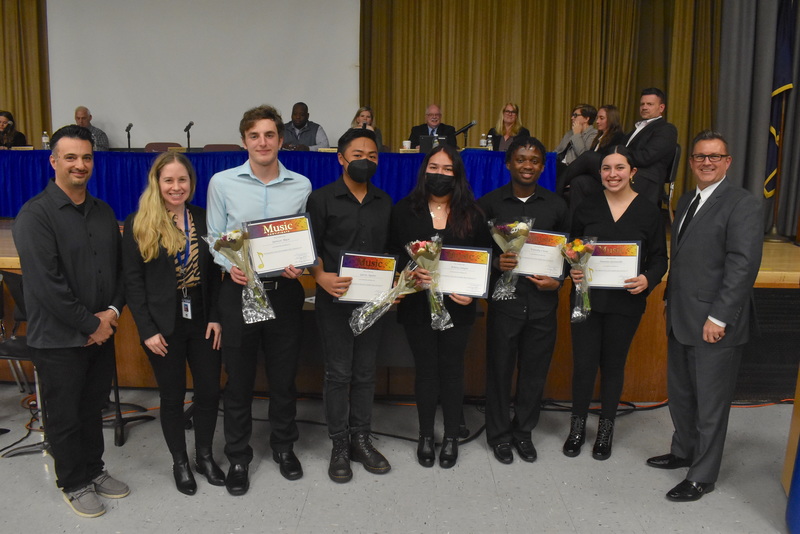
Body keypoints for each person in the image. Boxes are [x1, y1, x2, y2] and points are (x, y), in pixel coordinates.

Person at [12, 125, 128, 518]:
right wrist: (92, 325)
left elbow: (120, 272)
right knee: (64, 416)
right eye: (71, 157)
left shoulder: (103, 211)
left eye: (86, 157)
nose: (80, 165)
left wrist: (111, 314)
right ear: (54, 161)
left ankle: (93, 469)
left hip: (101, 333)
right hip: (59, 340)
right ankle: (73, 482)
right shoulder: (35, 216)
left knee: (93, 409)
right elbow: (48, 286)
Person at [647, 130, 763, 502]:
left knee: (711, 404)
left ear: (727, 162)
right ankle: (683, 451)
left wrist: (720, 318)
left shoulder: (743, 204)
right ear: (692, 162)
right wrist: (669, 299)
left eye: (715, 156)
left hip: (714, 323)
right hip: (681, 315)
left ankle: (702, 475)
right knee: (681, 394)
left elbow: (742, 266)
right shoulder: (686, 199)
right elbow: (684, 258)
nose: (707, 162)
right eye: (700, 156)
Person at [207, 104, 311, 496]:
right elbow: (214, 237)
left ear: (281, 140)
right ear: (244, 141)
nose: (262, 142)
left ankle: (284, 447)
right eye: (254, 136)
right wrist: (229, 264)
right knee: (238, 380)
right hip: (238, 292)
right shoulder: (222, 183)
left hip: (284, 293)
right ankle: (238, 457)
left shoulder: (301, 185)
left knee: (284, 378)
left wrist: (300, 265)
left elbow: (303, 241)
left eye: (269, 135)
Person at [122, 152, 224, 495]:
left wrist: (216, 316)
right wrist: (146, 330)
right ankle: (180, 462)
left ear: (191, 182)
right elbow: (133, 283)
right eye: (169, 180)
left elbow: (216, 274)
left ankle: (204, 456)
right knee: (172, 395)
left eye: (182, 179)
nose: (176, 186)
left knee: (209, 390)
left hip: (202, 316)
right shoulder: (139, 222)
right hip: (161, 323)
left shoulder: (204, 219)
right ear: (157, 182)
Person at [563, 146, 667, 461]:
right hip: (586, 299)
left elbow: (659, 258)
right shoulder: (586, 207)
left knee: (613, 366)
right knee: (583, 365)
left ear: (632, 172)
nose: (612, 174)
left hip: (625, 302)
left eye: (620, 167)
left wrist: (648, 279)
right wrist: (573, 267)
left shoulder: (649, 211)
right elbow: (571, 248)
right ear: (600, 173)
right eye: (606, 168)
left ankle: (605, 429)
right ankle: (577, 428)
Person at [389, 144, 487, 468]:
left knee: (452, 369)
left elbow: (485, 260)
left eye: (447, 169)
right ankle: (425, 435)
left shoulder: (472, 213)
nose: (440, 174)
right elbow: (393, 253)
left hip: (458, 306)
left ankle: (451, 437)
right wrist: (406, 273)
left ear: (456, 174)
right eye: (434, 167)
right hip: (417, 305)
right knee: (426, 370)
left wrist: (474, 292)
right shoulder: (405, 210)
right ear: (424, 170)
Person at [307, 128, 393, 483]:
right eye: (358, 155)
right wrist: (320, 276)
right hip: (334, 301)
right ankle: (339, 444)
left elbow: (390, 251)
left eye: (372, 156)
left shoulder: (384, 201)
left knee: (365, 373)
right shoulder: (321, 199)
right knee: (339, 373)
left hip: (373, 302)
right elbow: (309, 248)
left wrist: (395, 285)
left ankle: (361, 439)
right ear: (341, 159)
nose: (365, 161)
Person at [479, 136, 569, 464]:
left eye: (534, 160)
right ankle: (499, 435)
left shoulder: (557, 206)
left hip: (543, 304)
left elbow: (571, 254)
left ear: (543, 167)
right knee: (499, 372)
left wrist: (558, 280)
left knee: (534, 373)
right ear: (508, 164)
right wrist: (495, 262)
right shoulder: (489, 204)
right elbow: (476, 253)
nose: (527, 165)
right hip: (505, 305)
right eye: (520, 159)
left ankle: (524, 432)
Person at [556, 105, 626, 203]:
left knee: (588, 155)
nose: (597, 121)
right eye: (597, 118)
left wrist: (577, 135)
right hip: (594, 174)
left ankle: (556, 189)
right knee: (577, 181)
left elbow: (587, 157)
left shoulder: (618, 136)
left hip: (607, 171)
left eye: (601, 118)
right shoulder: (599, 137)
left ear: (611, 119)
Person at [622, 88, 678, 205]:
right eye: (642, 104)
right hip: (624, 172)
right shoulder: (636, 129)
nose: (644, 107)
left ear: (661, 108)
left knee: (589, 157)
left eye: (649, 104)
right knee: (584, 182)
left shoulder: (666, 129)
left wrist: (619, 154)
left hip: (645, 178)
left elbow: (646, 157)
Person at [553, 104, 598, 171]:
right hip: (559, 164)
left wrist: (577, 135)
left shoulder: (594, 134)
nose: (572, 118)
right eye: (572, 115)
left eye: (575, 115)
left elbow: (584, 156)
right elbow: (558, 151)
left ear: (586, 119)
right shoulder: (569, 133)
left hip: (573, 168)